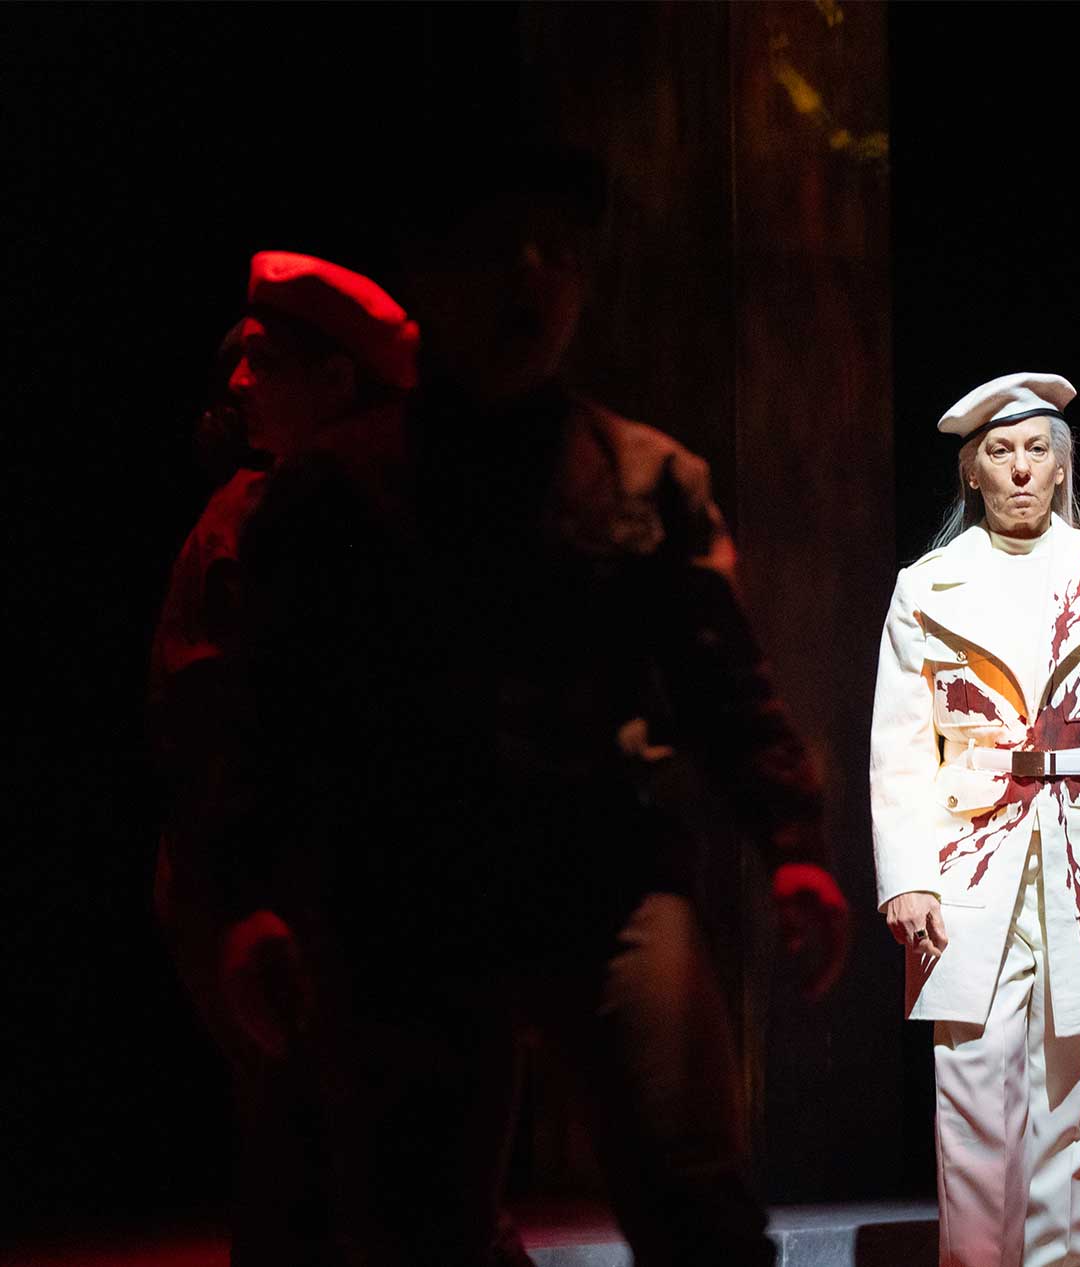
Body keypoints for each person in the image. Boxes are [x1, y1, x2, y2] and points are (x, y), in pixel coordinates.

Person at [213, 142, 851, 1266]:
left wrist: (795, 847)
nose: (530, 279)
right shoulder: (334, 491)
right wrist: (248, 897)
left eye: (556, 253)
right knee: (416, 1221)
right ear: (430, 274)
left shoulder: (646, 475)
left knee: (695, 1191)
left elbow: (727, 684)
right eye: (497, 251)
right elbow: (269, 710)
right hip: (407, 889)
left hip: (605, 872)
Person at [869, 371, 1080, 1266]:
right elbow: (901, 742)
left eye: (1035, 450)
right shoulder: (928, 586)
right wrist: (907, 876)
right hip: (971, 869)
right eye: (1000, 452)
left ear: (1061, 466)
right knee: (973, 1112)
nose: (1020, 468)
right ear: (972, 471)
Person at [148, 252, 420, 1263]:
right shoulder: (247, 523)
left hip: (337, 894)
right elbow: (206, 726)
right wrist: (246, 893)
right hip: (264, 892)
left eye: (262, 361)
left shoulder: (380, 515)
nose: (236, 382)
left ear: (336, 380)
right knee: (304, 1143)